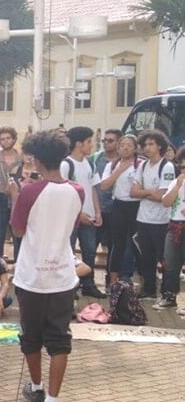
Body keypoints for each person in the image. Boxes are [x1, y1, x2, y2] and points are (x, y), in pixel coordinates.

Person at [10, 129, 85, 402]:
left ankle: (37, 388)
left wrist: (17, 194)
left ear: (37, 160)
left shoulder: (30, 191)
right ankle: (52, 401)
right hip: (63, 275)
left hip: (32, 275)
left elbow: (16, 230)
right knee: (59, 339)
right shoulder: (77, 190)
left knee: (31, 337)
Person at [130, 130, 175, 300]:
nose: (147, 148)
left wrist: (144, 192)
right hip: (143, 218)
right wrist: (150, 192)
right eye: (145, 145)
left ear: (160, 146)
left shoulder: (167, 166)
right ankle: (149, 288)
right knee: (146, 257)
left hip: (162, 220)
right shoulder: (142, 165)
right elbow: (133, 192)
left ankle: (167, 291)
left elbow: (162, 196)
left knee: (164, 258)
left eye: (151, 144)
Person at [64, 126, 106, 298]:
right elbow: (64, 193)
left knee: (89, 251)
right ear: (79, 143)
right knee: (69, 252)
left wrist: (97, 211)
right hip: (71, 218)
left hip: (89, 217)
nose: (92, 146)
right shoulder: (65, 165)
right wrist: (78, 214)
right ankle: (69, 286)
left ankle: (88, 284)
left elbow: (93, 189)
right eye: (89, 142)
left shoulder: (90, 163)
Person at [100, 134, 140, 288]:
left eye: (129, 145)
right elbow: (104, 186)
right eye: (122, 144)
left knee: (135, 243)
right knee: (118, 244)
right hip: (118, 206)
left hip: (136, 206)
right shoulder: (112, 165)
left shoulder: (141, 164)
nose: (125, 147)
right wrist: (118, 171)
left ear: (136, 148)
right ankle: (113, 281)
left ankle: (131, 278)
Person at [159, 147, 185, 312]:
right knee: (170, 262)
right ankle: (169, 295)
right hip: (175, 226)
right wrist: (177, 186)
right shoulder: (176, 182)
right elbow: (166, 202)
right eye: (182, 167)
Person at [0, 127, 21, 258]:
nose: (6, 141)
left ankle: (18, 265)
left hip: (18, 198)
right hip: (0, 198)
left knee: (18, 235)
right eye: (2, 139)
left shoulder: (22, 158)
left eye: (8, 138)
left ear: (14, 139)